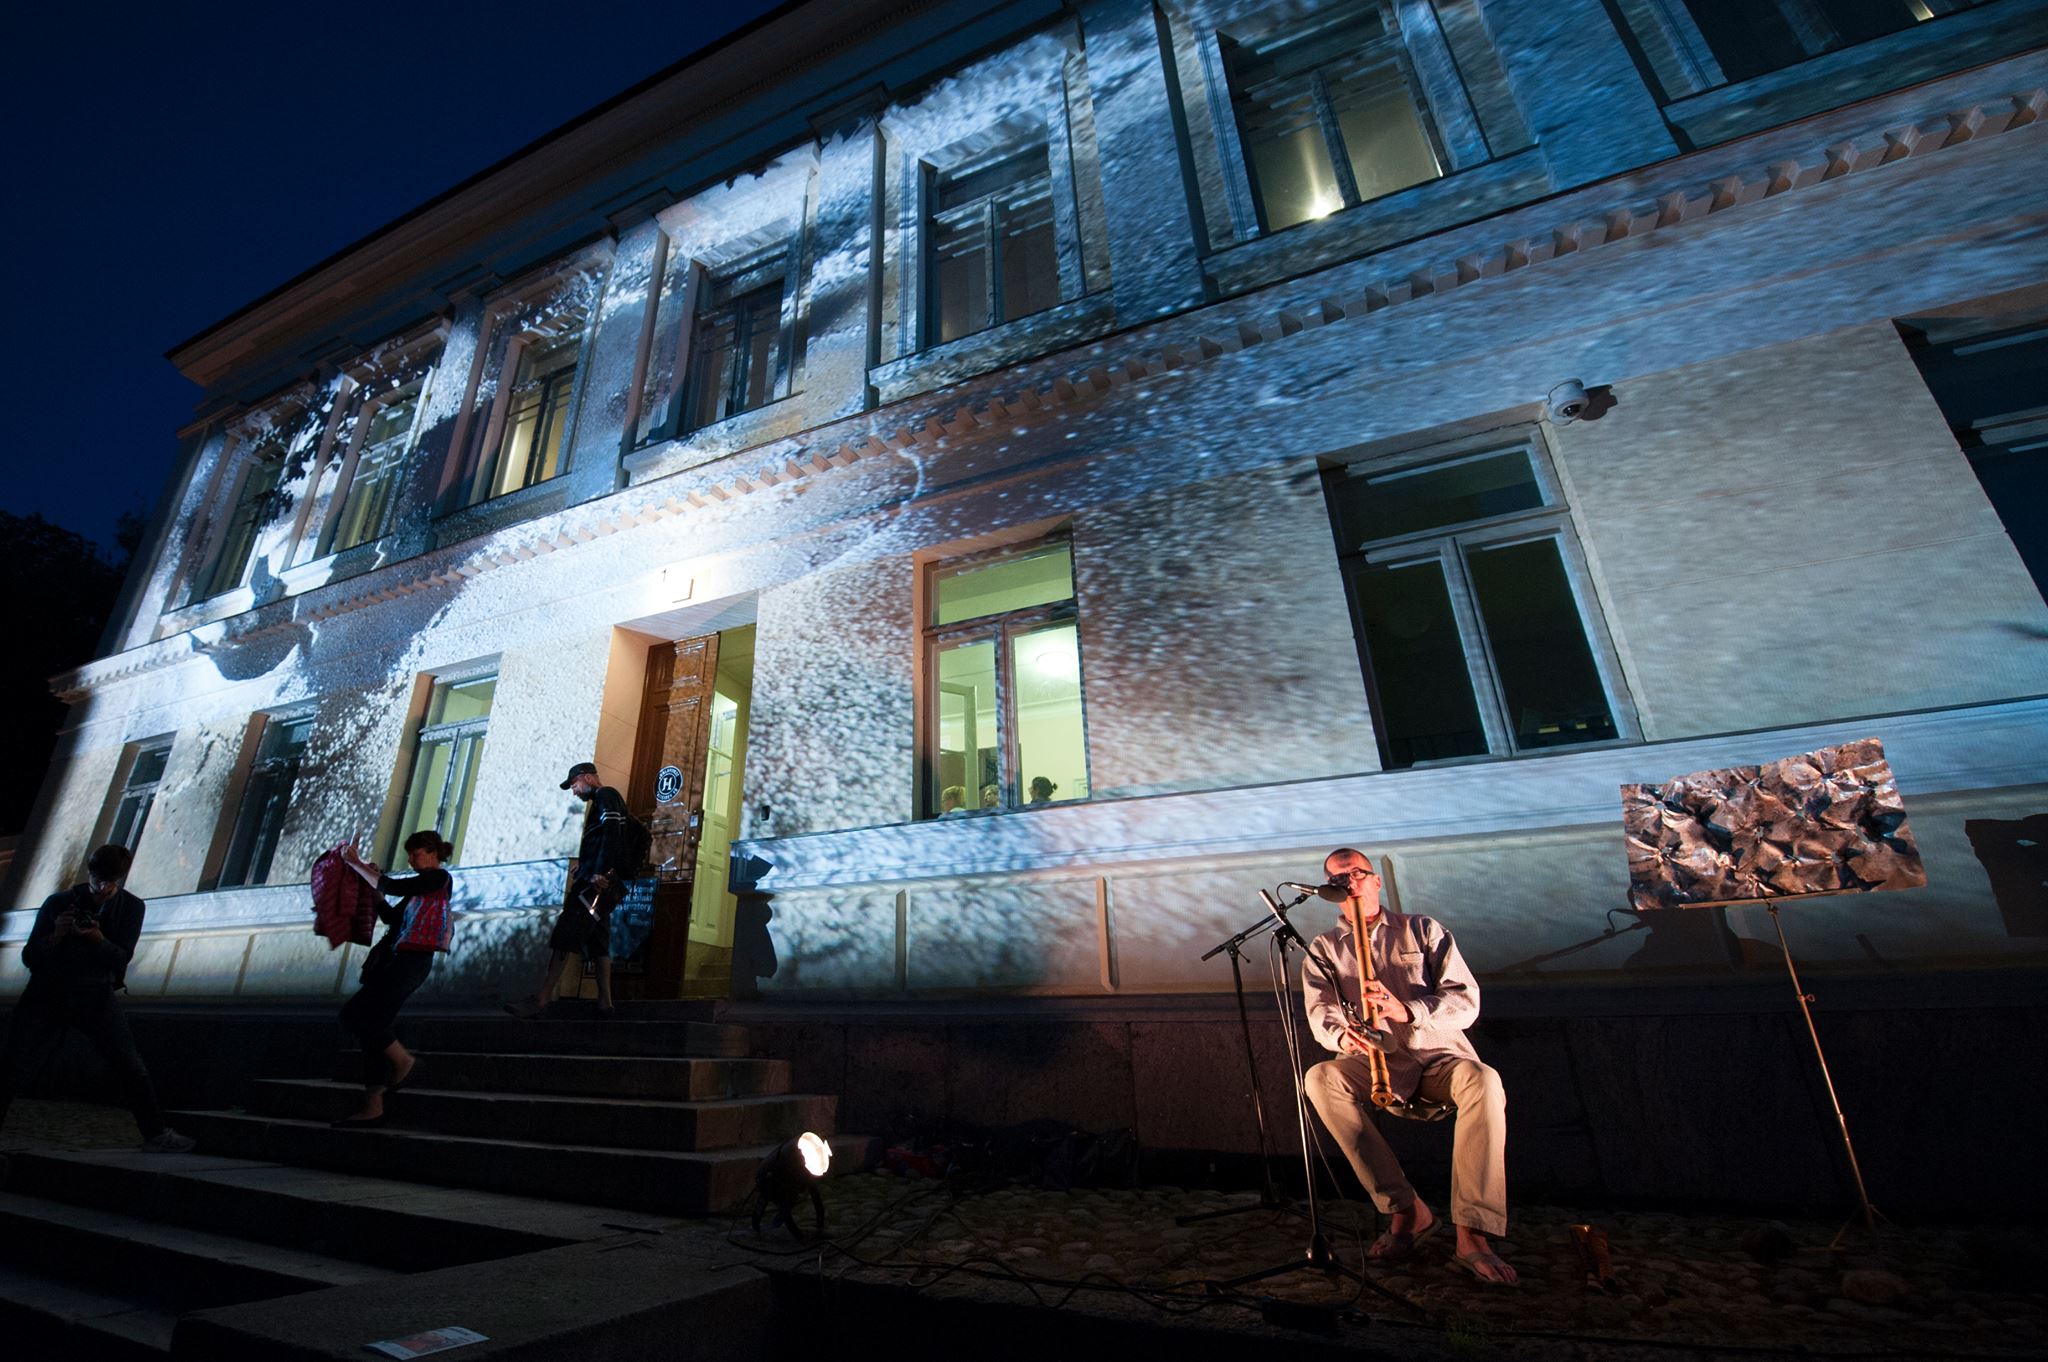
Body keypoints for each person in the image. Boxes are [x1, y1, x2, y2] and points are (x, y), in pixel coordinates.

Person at [1300, 848, 1516, 1286]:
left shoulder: (1423, 929)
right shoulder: (1322, 949)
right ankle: (1405, 1211)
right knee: (1320, 1078)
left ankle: (1472, 1232)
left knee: (1484, 1081)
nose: (1351, 883)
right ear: (1331, 891)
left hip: (1437, 1057)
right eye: (1340, 879)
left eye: (1358, 874)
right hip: (1375, 1062)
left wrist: (1408, 1011)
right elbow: (1321, 1014)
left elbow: (1465, 1000)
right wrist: (1346, 1037)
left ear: (1376, 881)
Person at [0, 845, 194, 1152]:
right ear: (89, 873)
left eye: (109, 881)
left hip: (95, 995)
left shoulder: (130, 907)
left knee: (130, 1065)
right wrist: (55, 936)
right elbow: (29, 957)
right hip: (47, 994)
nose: (102, 887)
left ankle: (155, 1133)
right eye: (97, 879)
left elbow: (121, 958)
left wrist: (98, 940)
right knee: (12, 1066)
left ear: (120, 878)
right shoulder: (58, 903)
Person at [330, 831, 454, 1128]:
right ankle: (374, 1104)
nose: (411, 859)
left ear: (433, 852)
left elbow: (394, 885)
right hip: (398, 961)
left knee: (356, 1016)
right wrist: (376, 891)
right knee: (371, 1028)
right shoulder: (419, 887)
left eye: (416, 853)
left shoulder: (438, 878)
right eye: (410, 854)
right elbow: (391, 917)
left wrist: (358, 865)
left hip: (412, 962)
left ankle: (404, 1061)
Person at [509, 762, 634, 1019]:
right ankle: (605, 1003)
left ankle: (542, 998)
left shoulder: (605, 795)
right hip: (598, 881)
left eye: (575, 785)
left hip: (594, 884)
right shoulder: (602, 799)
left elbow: (612, 834)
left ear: (588, 778)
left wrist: (599, 870)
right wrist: (586, 864)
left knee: (565, 935)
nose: (574, 792)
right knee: (599, 942)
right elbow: (606, 837)